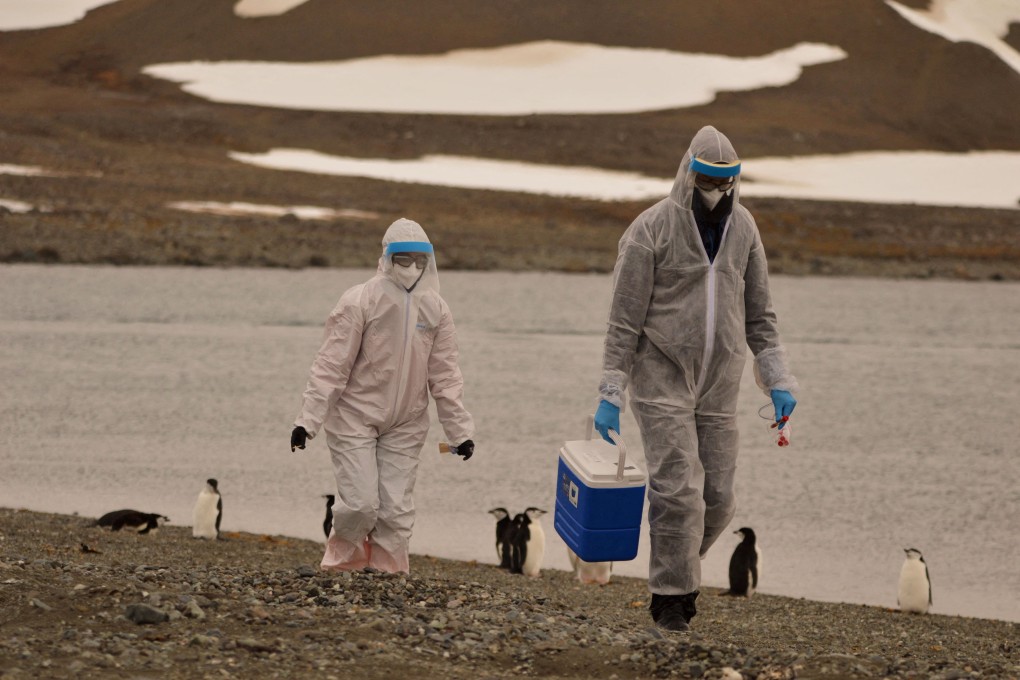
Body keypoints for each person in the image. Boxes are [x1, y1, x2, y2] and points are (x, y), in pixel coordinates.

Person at [593, 125, 798, 632]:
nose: (717, 191)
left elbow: (761, 316)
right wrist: (611, 393)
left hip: (719, 384)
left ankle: (680, 570)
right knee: (678, 488)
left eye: (727, 182)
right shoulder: (651, 229)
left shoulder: (745, 229)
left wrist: (777, 378)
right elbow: (623, 320)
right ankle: (671, 599)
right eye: (708, 179)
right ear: (689, 173)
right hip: (661, 376)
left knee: (719, 499)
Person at [290, 217, 475, 574]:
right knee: (360, 504)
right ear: (387, 257)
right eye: (404, 258)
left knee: (395, 509)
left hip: (406, 420)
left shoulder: (436, 308)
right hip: (354, 415)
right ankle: (342, 567)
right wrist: (307, 421)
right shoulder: (360, 300)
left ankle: (388, 573)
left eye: (420, 260)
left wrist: (459, 432)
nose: (412, 267)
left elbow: (446, 375)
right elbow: (331, 365)